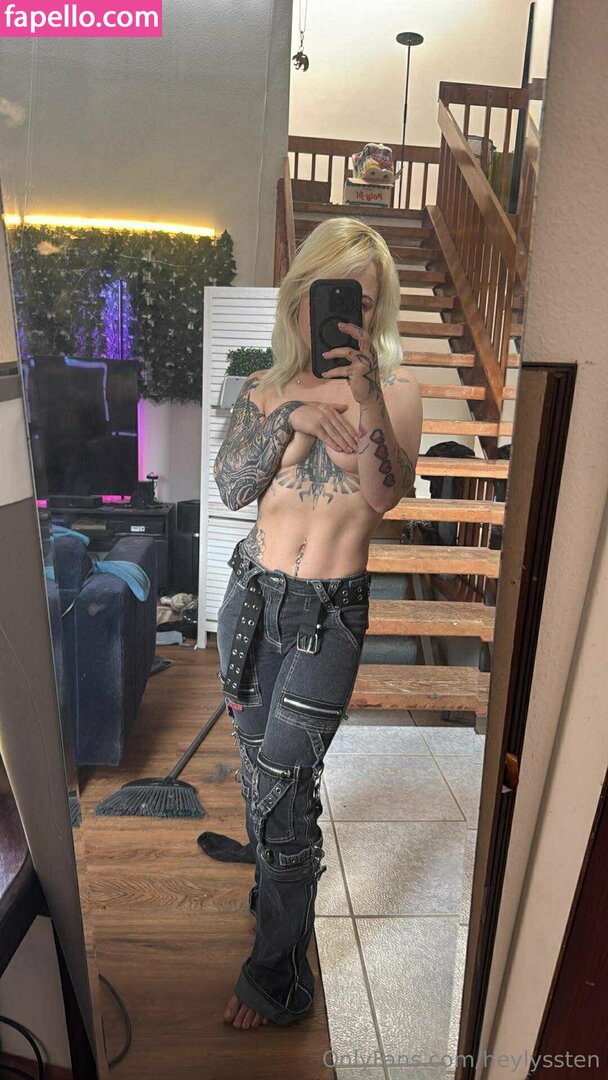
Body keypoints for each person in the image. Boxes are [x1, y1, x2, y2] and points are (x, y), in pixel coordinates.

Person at [199, 216, 423, 1029]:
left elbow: (385, 496)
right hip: (252, 599)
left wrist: (364, 397)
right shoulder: (262, 385)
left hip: (327, 617)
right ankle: (274, 888)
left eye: (359, 300)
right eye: (328, 294)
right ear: (300, 296)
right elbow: (232, 486)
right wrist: (288, 421)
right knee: (261, 773)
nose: (338, 314)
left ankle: (279, 975)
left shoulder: (396, 390)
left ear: (376, 308)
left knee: (286, 790)